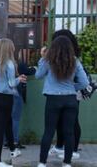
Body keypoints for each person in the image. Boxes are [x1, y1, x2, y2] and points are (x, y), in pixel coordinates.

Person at [36, 36, 89, 167]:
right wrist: (72, 88)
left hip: (53, 99)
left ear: (53, 47)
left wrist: (43, 57)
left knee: (49, 131)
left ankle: (42, 163)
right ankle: (67, 163)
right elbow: (84, 82)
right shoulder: (75, 61)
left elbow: (38, 75)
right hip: (70, 99)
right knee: (69, 132)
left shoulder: (48, 61)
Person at [0, 38, 26, 167]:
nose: (14, 49)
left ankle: (13, 150)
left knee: (7, 122)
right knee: (1, 127)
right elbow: (10, 83)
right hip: (5, 97)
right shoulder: (9, 64)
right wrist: (19, 79)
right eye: (13, 47)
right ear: (9, 48)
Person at [48, 29, 83, 160]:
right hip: (66, 92)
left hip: (72, 91)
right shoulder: (61, 55)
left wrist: (74, 89)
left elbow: (81, 79)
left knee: (73, 121)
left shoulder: (73, 57)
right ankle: (60, 146)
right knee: (61, 120)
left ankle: (73, 149)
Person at [7, 50, 36, 149]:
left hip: (6, 94)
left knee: (8, 118)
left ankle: (6, 141)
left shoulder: (4, 64)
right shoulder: (18, 64)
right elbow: (31, 72)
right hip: (16, 93)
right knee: (15, 119)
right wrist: (35, 68)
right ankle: (14, 141)